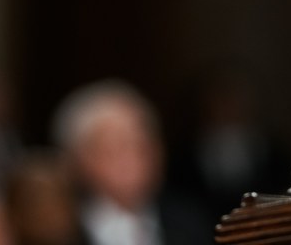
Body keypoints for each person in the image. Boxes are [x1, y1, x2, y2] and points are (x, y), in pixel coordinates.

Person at [50, 79, 208, 245]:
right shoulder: (57, 230)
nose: (135, 158)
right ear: (78, 158)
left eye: (143, 143)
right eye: (116, 145)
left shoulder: (191, 223)